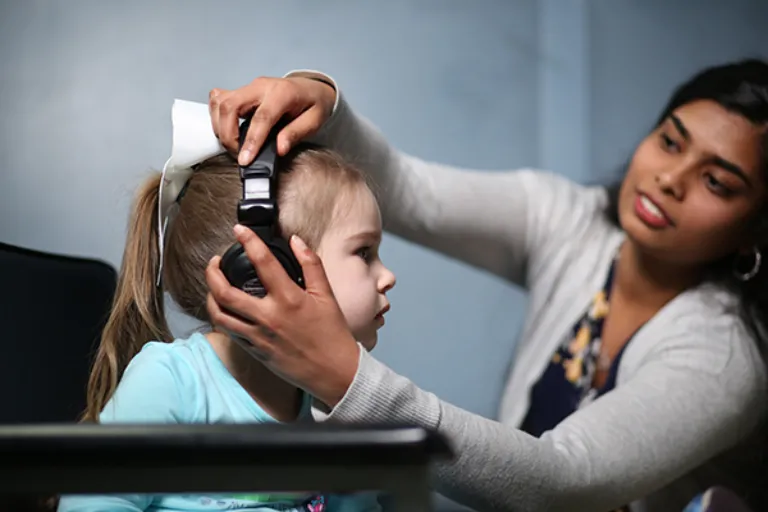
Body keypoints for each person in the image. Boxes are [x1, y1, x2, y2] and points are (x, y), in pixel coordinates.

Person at [203, 59, 768, 512]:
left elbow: (565, 482)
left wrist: (347, 378)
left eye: (716, 181)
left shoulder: (727, 359)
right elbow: (411, 193)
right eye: (670, 142)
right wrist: (321, 95)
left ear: (754, 231)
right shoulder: (568, 219)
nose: (670, 180)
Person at [57, 105, 394, 512]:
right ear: (261, 268)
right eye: (364, 252)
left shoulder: (340, 403)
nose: (387, 275)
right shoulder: (171, 383)